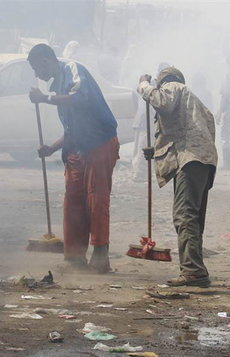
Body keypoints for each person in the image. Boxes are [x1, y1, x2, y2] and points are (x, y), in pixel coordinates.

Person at [27, 44, 119, 274]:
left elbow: (79, 98)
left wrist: (45, 98)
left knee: (96, 199)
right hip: (77, 147)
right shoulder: (56, 85)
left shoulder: (73, 69)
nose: (37, 75)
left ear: (46, 61)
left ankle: (100, 256)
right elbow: (71, 127)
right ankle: (75, 257)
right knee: (73, 200)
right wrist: (51, 148)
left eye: (36, 68)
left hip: (99, 142)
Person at [138, 67, 218, 287]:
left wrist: (144, 85)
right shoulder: (195, 103)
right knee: (193, 217)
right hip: (202, 162)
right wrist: (156, 151)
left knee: (184, 215)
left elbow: (162, 102)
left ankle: (193, 271)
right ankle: (194, 269)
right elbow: (185, 132)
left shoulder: (173, 87)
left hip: (190, 161)